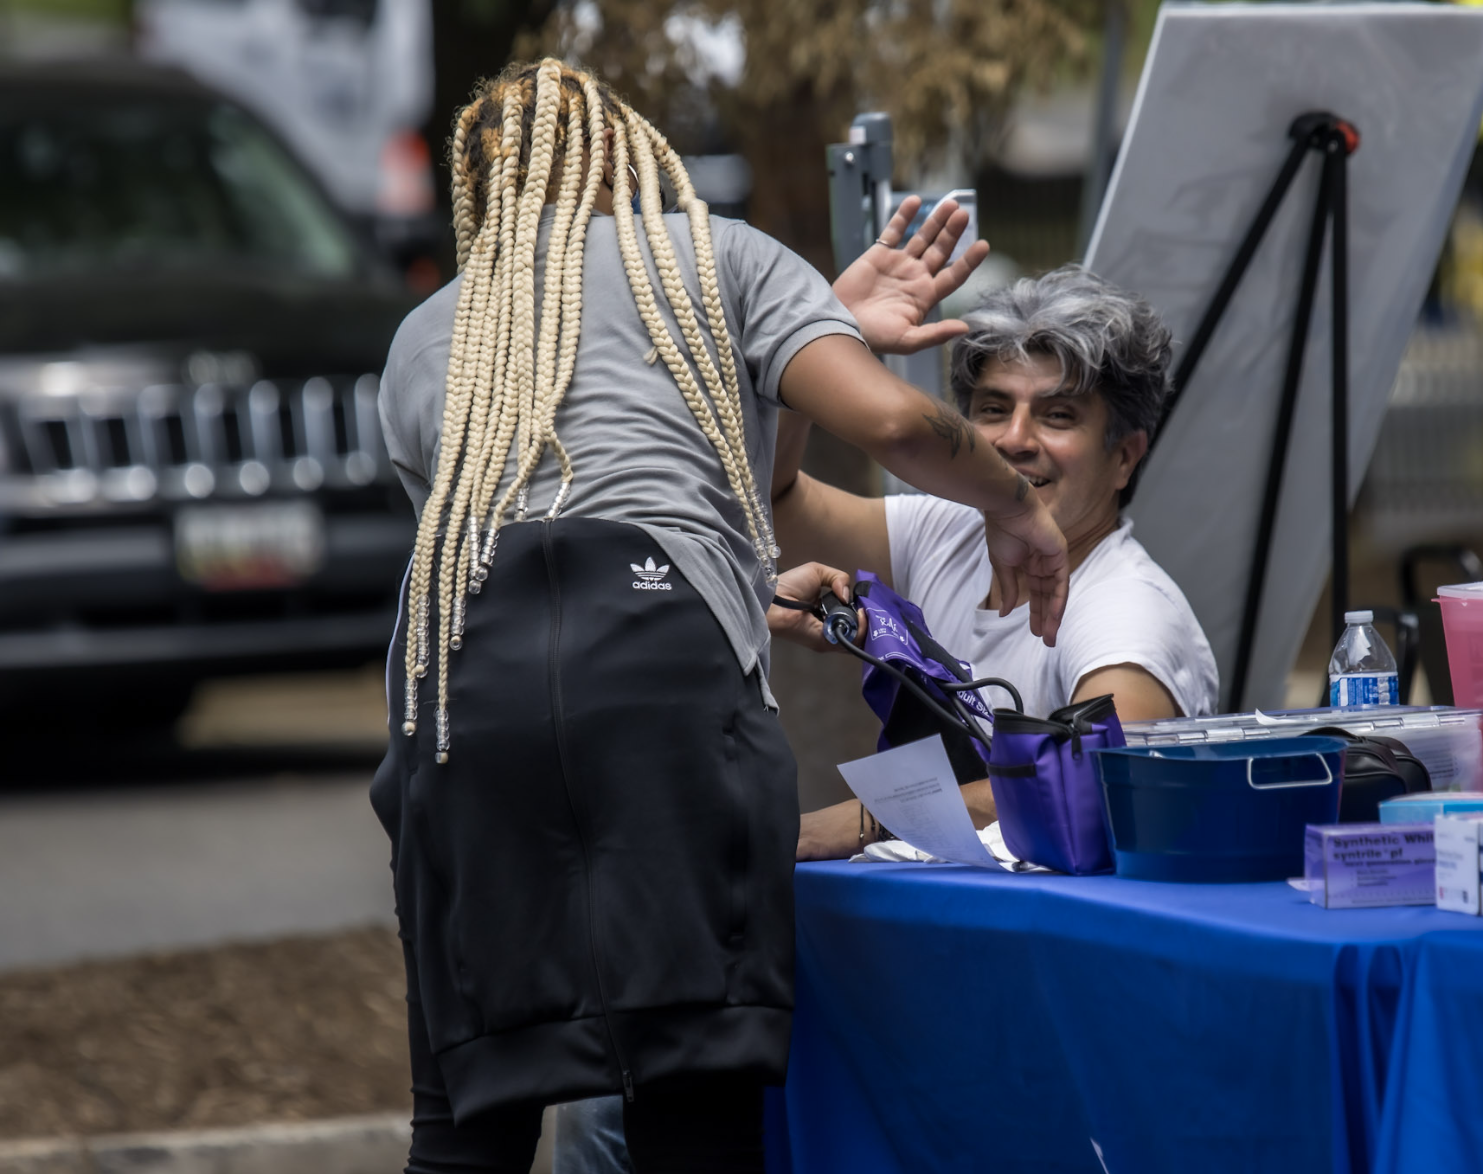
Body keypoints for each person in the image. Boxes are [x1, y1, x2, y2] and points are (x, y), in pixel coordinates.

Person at [369, 59, 1068, 1174]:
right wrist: (1019, 505)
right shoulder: (717, 254)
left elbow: (522, 564)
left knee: (465, 1121)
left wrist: (740, 580)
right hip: (659, 689)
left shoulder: (426, 335)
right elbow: (890, 421)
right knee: (692, 1105)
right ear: (626, 152)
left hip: (453, 705)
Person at [780, 255, 1220, 861]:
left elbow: (1093, 775)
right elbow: (777, 500)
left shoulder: (1128, 610)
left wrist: (852, 824)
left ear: (1126, 456)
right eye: (992, 409)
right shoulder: (947, 527)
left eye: (1057, 414)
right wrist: (816, 338)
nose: (1015, 439)